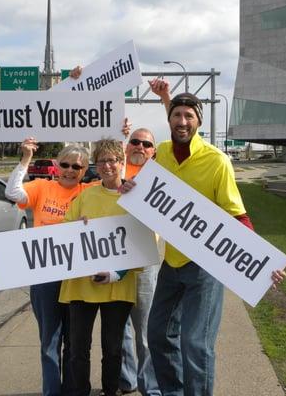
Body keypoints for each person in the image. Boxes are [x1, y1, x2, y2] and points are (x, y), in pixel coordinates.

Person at [122, 79, 286, 396]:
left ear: (199, 121)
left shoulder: (217, 161)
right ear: (169, 120)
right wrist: (132, 187)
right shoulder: (163, 155)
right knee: (157, 334)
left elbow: (237, 215)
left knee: (196, 345)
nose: (182, 121)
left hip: (205, 267)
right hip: (171, 264)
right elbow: (126, 164)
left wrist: (261, 260)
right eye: (177, 116)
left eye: (189, 116)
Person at [5, 140, 95, 396]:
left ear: (84, 169)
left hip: (76, 277)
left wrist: (121, 143)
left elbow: (119, 180)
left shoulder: (90, 190)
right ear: (56, 165)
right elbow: (13, 193)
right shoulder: (43, 187)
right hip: (45, 276)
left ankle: (70, 390)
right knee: (50, 342)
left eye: (76, 167)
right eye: (64, 164)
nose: (69, 170)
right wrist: (25, 158)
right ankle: (52, 391)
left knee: (74, 342)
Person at [59, 138, 139, 396]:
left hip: (118, 285)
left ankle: (110, 391)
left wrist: (117, 273)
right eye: (102, 160)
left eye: (112, 160)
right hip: (82, 285)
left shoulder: (134, 196)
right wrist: (75, 228)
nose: (107, 165)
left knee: (113, 349)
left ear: (121, 162)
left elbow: (143, 241)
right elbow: (63, 234)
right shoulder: (86, 195)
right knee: (78, 348)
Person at [119, 129, 162, 396]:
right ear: (126, 146)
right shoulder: (115, 171)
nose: (140, 146)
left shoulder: (159, 177)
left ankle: (151, 387)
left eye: (147, 144)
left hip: (145, 260)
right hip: (113, 257)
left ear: (153, 151)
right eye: (135, 141)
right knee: (120, 328)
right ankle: (127, 381)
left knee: (145, 330)